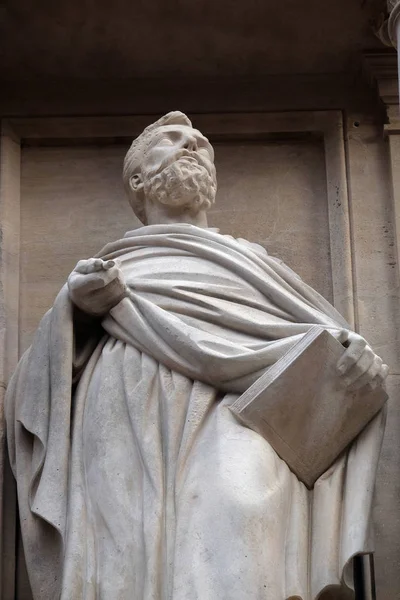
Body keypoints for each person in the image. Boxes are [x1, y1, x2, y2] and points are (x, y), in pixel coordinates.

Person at [6, 111, 388, 600]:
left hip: (241, 413)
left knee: (240, 529)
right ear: (138, 179)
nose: (191, 145)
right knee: (126, 559)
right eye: (172, 140)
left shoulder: (256, 265)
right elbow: (29, 395)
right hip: (120, 413)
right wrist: (75, 310)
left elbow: (321, 336)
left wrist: (354, 357)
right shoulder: (111, 267)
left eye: (200, 143)